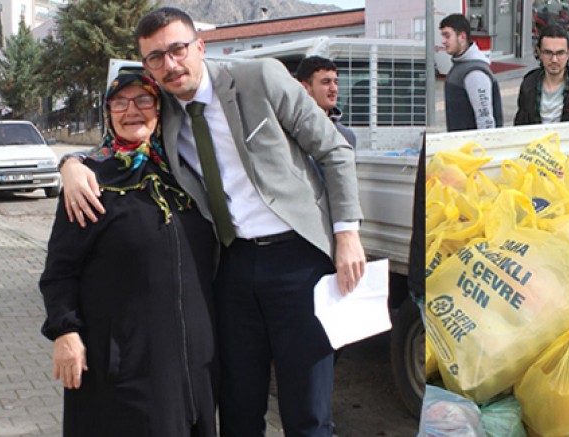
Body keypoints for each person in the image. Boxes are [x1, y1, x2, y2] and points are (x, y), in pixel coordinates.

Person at [60, 7, 366, 437]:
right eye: (155, 58)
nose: (170, 64)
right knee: (238, 412)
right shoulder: (163, 108)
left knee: (308, 414)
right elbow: (118, 139)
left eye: (178, 49)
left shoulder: (260, 79)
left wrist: (347, 234)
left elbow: (334, 150)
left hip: (300, 260)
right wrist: (69, 163)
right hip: (232, 269)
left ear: (200, 46)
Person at [40, 73, 217, 436]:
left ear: (159, 108)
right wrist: (65, 332)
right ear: (108, 112)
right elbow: (60, 270)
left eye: (143, 100)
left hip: (194, 359)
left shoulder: (184, 173)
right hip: (124, 359)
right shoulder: (92, 181)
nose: (131, 110)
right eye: (120, 103)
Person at [514, 24, 569, 125]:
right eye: (548, 53)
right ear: (539, 53)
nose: (554, 59)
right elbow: (520, 124)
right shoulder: (529, 84)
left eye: (560, 53)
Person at [440, 13, 503, 131]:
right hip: (464, 146)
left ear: (462, 37)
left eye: (447, 36)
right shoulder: (462, 66)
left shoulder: (475, 73)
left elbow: (485, 119)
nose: (443, 41)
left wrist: (484, 146)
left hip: (472, 147)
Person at [296, 56, 356, 146]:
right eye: (326, 82)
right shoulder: (290, 133)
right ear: (305, 87)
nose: (333, 89)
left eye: (336, 82)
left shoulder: (346, 135)